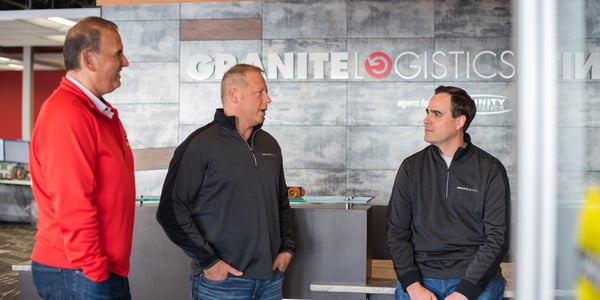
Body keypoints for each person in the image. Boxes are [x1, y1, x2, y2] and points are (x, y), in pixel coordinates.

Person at [157, 63, 295, 300]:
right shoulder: (199, 145)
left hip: (270, 281)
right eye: (259, 92)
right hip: (222, 284)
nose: (268, 100)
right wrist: (209, 261)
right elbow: (170, 211)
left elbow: (281, 202)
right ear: (234, 95)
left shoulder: (270, 144)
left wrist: (287, 248)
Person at [29, 16, 134, 299]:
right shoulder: (67, 115)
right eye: (117, 54)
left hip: (95, 272)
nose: (125, 62)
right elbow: (73, 204)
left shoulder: (96, 112)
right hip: (79, 273)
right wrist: (95, 272)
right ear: (89, 59)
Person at [386, 86, 510, 300]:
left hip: (474, 279)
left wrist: (466, 291)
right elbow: (396, 232)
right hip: (421, 278)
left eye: (436, 114)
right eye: (427, 113)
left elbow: (497, 238)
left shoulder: (490, 169)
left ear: (459, 121)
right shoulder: (411, 167)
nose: (427, 120)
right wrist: (413, 286)